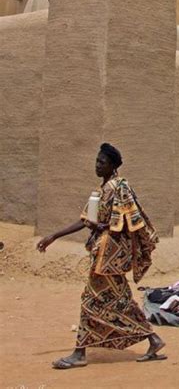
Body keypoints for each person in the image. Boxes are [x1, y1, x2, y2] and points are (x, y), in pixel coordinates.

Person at [37, 143, 166, 369]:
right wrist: (54, 235)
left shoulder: (120, 187)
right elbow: (86, 220)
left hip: (111, 255)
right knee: (120, 300)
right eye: (96, 161)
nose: (97, 166)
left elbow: (133, 221)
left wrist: (105, 225)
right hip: (103, 254)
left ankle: (79, 353)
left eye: (102, 162)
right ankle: (154, 340)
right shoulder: (101, 190)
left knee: (90, 302)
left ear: (113, 166)